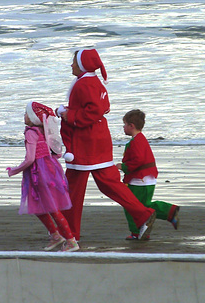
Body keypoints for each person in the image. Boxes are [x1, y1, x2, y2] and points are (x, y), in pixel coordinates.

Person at [56, 48, 157, 241]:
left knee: (72, 189)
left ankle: (69, 233)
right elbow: (104, 107)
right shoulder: (95, 82)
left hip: (86, 143)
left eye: (74, 62)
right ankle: (143, 214)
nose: (71, 65)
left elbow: (93, 110)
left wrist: (69, 115)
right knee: (108, 183)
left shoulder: (84, 84)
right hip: (99, 139)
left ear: (83, 64)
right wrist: (68, 111)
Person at [6, 102, 79, 252]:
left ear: (33, 117)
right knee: (40, 206)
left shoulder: (31, 132)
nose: (24, 116)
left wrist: (14, 170)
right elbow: (57, 153)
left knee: (50, 207)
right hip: (51, 169)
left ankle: (71, 241)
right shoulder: (45, 131)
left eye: (26, 113)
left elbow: (30, 159)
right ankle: (56, 236)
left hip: (38, 173)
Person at [117, 109, 179, 240]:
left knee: (132, 207)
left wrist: (123, 167)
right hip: (147, 179)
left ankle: (137, 232)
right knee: (143, 205)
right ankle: (168, 213)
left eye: (124, 125)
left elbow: (138, 160)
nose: (123, 127)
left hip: (140, 180)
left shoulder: (136, 141)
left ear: (131, 126)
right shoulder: (140, 139)